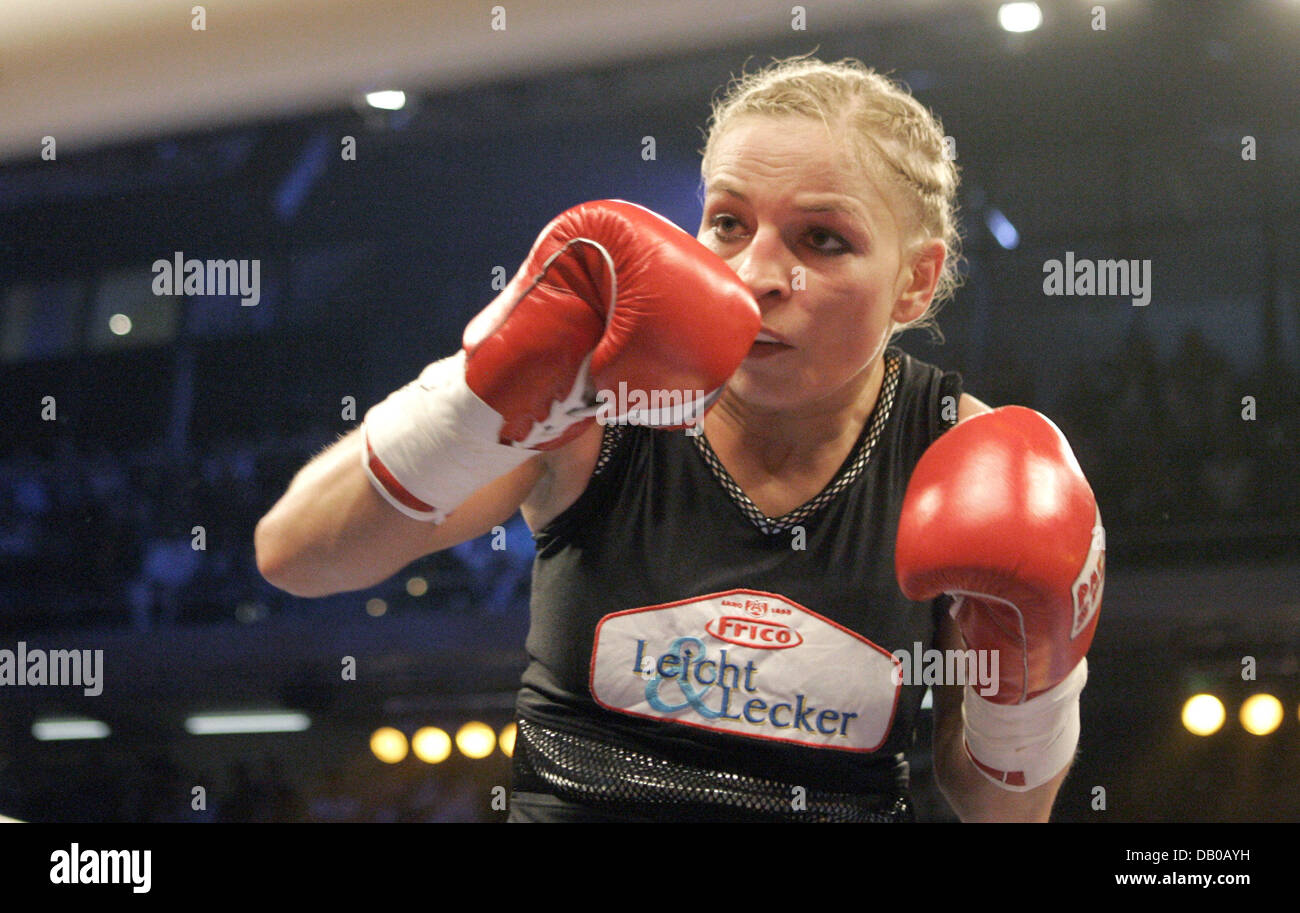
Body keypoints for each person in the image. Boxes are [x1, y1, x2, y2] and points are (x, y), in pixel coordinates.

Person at [254, 56, 1103, 822]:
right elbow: (296, 556)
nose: (758, 274)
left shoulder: (959, 454)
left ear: (915, 281)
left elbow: (1001, 814)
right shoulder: (602, 397)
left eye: (823, 239)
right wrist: (476, 402)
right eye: (729, 223)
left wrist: (1030, 690)